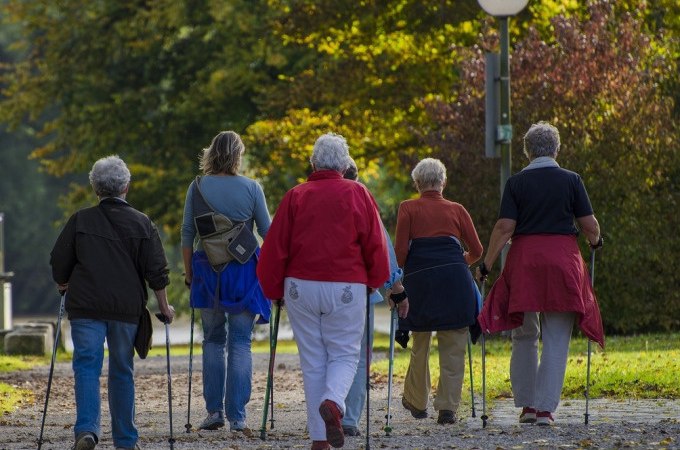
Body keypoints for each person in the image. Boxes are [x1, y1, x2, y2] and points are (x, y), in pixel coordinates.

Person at [257, 133, 390, 450]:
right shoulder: (358, 193)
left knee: (313, 361)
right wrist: (375, 280)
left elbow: (275, 248)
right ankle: (334, 402)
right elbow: (375, 244)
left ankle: (320, 439)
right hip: (346, 284)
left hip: (300, 286)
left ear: (313, 163)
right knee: (345, 353)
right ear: (345, 165)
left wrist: (274, 289)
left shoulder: (295, 196)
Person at [476, 121, 604, 426]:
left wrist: (487, 264)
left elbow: (505, 228)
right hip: (562, 261)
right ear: (556, 148)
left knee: (524, 332)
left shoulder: (516, 183)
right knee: (557, 335)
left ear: (527, 151)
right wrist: (596, 241)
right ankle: (547, 409)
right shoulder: (571, 180)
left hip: (525, 262)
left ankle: (528, 407)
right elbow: (589, 225)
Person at [50, 155, 175, 450]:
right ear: (126, 187)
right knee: (122, 369)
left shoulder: (80, 220)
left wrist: (62, 281)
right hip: (125, 309)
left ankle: (87, 430)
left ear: (95, 188)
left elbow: (59, 259)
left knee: (86, 366)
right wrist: (164, 306)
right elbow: (157, 271)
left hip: (85, 307)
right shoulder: (143, 223)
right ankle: (126, 440)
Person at [180, 130, 272, 432]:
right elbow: (267, 233)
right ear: (237, 155)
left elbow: (187, 234)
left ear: (211, 153)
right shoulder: (252, 188)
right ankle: (238, 417)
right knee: (241, 342)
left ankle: (214, 412)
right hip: (244, 270)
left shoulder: (197, 188)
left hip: (207, 269)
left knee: (212, 339)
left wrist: (189, 273)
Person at [394, 157, 483, 425]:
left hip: (420, 283)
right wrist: (459, 262)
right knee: (454, 344)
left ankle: (417, 401)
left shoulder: (407, 208)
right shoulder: (457, 209)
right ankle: (447, 409)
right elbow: (477, 251)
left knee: (420, 342)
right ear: (443, 182)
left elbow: (400, 255)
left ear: (417, 183)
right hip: (455, 283)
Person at [340, 159, 406, 437]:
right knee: (358, 354)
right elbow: (383, 247)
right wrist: (397, 290)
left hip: (317, 289)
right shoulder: (363, 202)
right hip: (359, 291)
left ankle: (329, 410)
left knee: (328, 355)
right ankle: (350, 418)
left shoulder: (310, 199)